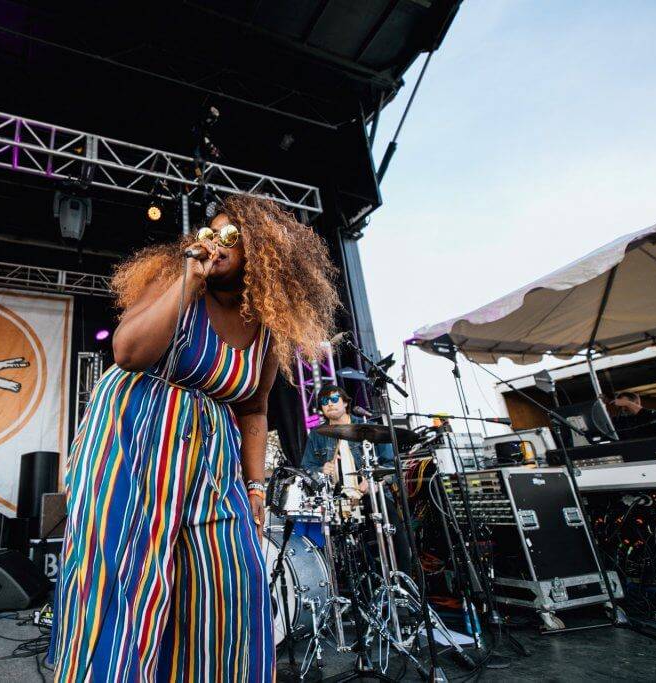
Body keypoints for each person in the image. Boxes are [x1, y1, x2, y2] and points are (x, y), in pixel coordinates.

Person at [52, 194, 339, 682]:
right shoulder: (177, 282)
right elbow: (127, 352)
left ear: (266, 255)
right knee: (124, 580)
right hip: (133, 440)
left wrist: (254, 486)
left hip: (213, 459)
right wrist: (188, 280)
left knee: (233, 581)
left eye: (233, 237)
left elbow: (254, 409)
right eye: (213, 233)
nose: (217, 243)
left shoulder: (268, 331)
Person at [300, 384, 410, 570]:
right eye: (325, 402)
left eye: (334, 399)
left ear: (345, 403)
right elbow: (306, 469)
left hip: (373, 497)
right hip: (338, 502)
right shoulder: (317, 436)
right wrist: (321, 470)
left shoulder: (370, 429)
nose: (330, 404)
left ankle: (404, 583)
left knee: (395, 537)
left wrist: (375, 480)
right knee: (346, 551)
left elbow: (392, 465)